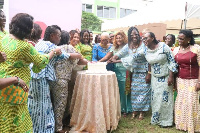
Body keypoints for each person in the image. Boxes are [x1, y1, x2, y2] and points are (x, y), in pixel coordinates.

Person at [0, 13, 60, 133]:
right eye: (31, 26)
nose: (33, 29)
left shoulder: (4, 38)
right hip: (16, 90)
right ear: (26, 28)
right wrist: (53, 52)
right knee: (16, 123)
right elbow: (41, 61)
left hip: (3, 86)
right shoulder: (25, 47)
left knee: (4, 119)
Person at [28, 25, 69, 133]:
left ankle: (33, 128)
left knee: (34, 104)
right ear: (52, 36)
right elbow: (64, 56)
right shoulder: (51, 46)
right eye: (59, 36)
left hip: (33, 77)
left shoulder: (40, 43)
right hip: (41, 79)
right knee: (42, 106)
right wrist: (77, 56)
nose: (60, 38)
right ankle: (43, 129)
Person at [50, 30, 87, 133]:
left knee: (52, 103)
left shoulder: (54, 48)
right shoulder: (69, 48)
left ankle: (52, 125)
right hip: (62, 80)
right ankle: (58, 128)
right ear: (68, 38)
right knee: (60, 105)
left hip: (51, 79)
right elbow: (80, 59)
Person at [112, 27, 151, 120]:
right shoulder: (128, 45)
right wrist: (114, 57)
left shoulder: (144, 45)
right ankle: (135, 110)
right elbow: (120, 53)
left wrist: (149, 73)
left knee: (144, 91)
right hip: (134, 72)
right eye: (132, 34)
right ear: (129, 36)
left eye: (136, 34)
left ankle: (142, 111)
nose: (134, 36)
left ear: (139, 34)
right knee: (134, 92)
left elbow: (148, 59)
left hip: (144, 71)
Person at [142, 32, 177, 127]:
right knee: (156, 99)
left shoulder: (163, 47)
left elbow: (172, 61)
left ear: (152, 38)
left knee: (165, 100)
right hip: (154, 78)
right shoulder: (145, 49)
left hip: (165, 77)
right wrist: (148, 74)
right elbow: (148, 63)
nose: (144, 40)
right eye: (143, 38)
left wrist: (171, 76)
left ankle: (166, 121)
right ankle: (156, 119)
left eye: (146, 38)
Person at [99, 31, 132, 116]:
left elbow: (129, 59)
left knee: (124, 90)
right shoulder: (114, 47)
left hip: (125, 70)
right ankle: (118, 108)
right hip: (116, 71)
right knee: (117, 90)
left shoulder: (127, 47)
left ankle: (126, 109)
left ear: (124, 38)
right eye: (116, 38)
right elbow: (107, 57)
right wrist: (98, 62)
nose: (118, 39)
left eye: (120, 37)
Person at [173, 29, 200, 133]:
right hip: (180, 80)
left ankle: (193, 127)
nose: (179, 40)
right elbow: (174, 66)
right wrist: (174, 80)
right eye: (178, 38)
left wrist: (199, 82)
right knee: (182, 102)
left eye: (182, 39)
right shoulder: (175, 50)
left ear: (189, 39)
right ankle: (181, 125)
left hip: (193, 80)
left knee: (192, 102)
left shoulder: (196, 49)